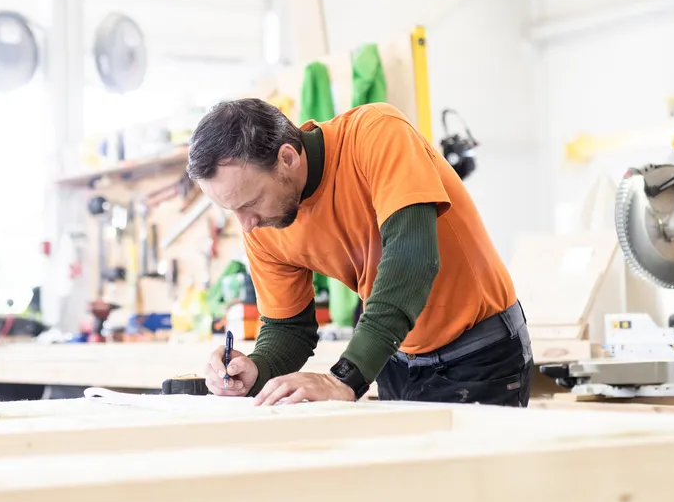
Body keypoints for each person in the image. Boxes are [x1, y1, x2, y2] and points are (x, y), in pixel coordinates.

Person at [186, 97, 532, 407]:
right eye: (232, 211)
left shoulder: (377, 134)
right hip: (394, 359)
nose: (246, 225)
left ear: (287, 158)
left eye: (250, 203)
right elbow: (288, 327)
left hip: (479, 354)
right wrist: (257, 368)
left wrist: (346, 377)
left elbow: (411, 260)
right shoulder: (264, 223)